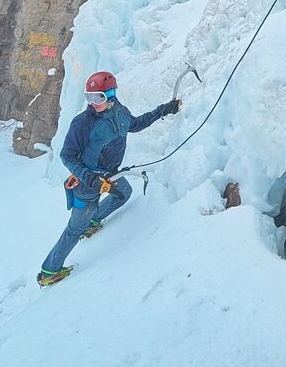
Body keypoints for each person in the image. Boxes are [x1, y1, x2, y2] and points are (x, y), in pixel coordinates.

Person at [37, 71, 180, 286]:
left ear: (111, 95)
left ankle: (93, 222)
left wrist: (164, 110)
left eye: (98, 97)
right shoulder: (83, 123)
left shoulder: (121, 113)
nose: (93, 103)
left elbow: (137, 124)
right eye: (89, 97)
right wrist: (88, 177)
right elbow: (67, 155)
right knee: (74, 230)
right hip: (86, 184)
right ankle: (49, 271)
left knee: (124, 193)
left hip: (111, 175)